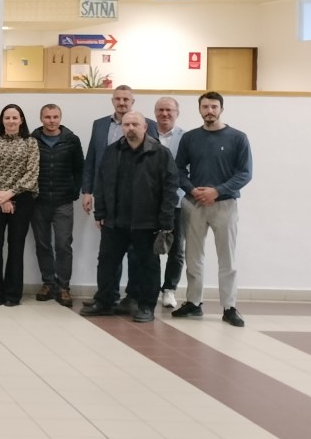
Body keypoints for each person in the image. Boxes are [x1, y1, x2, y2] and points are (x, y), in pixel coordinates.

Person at [81, 112, 178, 323]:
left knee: (147, 266)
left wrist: (166, 220)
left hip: (146, 222)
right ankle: (105, 301)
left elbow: (170, 189)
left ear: (145, 127)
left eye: (135, 124)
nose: (130, 128)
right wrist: (100, 212)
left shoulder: (160, 153)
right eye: (126, 125)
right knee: (107, 263)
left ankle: (146, 306)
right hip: (114, 221)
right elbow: (101, 183)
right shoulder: (112, 151)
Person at [173, 92, 253, 327]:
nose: (209, 110)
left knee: (227, 258)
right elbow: (178, 170)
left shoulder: (238, 138)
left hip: (225, 204)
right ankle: (193, 303)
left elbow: (245, 173)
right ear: (199, 109)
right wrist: (192, 190)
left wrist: (217, 191)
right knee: (193, 256)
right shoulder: (190, 138)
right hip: (194, 203)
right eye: (205, 106)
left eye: (214, 107)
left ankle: (229, 307)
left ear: (221, 109)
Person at [81, 85, 159, 312]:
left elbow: (153, 163)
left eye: (126, 99)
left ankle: (133, 297)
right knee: (109, 254)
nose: (122, 102)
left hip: (138, 202)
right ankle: (108, 296)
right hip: (109, 196)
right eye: (118, 99)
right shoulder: (99, 124)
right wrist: (88, 191)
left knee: (136, 255)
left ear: (133, 102)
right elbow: (92, 159)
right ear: (112, 101)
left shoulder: (148, 124)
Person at [0, 104, 39, 306]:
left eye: (15, 118)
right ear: (2, 120)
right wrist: (0, 195)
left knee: (16, 246)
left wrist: (10, 194)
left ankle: (13, 294)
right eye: (7, 117)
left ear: (21, 120)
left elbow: (32, 173)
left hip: (22, 199)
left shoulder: (30, 142)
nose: (11, 121)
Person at [31, 104, 83, 308]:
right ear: (41, 118)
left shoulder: (71, 140)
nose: (51, 121)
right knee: (42, 244)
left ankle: (63, 287)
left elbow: (79, 168)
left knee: (63, 245)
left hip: (63, 202)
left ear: (60, 118)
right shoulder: (32, 140)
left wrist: (74, 191)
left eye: (55, 117)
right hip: (39, 201)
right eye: (47, 117)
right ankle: (48, 283)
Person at [153, 96, 188, 309]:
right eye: (161, 110)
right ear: (155, 113)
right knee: (149, 247)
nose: (165, 114)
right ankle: (150, 288)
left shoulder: (186, 138)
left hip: (177, 201)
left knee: (176, 248)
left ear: (177, 113)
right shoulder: (147, 134)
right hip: (150, 202)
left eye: (169, 110)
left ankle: (169, 290)